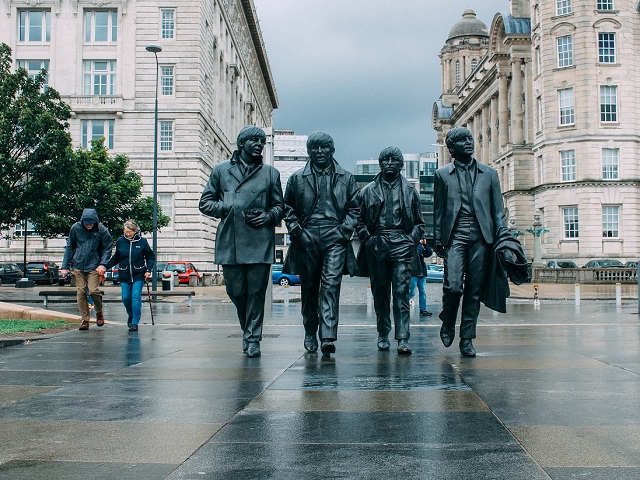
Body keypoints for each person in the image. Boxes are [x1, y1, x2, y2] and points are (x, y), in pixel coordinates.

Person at [199, 126, 284, 357]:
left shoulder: (270, 173)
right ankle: (248, 329)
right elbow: (205, 203)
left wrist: (269, 216)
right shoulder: (221, 171)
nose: (259, 144)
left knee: (256, 293)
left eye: (262, 141)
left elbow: (280, 206)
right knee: (236, 291)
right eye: (254, 140)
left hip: (259, 240)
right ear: (242, 143)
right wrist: (227, 206)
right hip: (231, 240)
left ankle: (253, 338)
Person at [283, 131, 359, 356]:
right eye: (314, 148)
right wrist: (297, 231)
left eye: (323, 147)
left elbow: (355, 208)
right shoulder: (297, 178)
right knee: (309, 288)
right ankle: (309, 331)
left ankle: (327, 335)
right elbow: (288, 208)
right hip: (306, 237)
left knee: (330, 285)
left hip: (334, 237)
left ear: (332, 150)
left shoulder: (346, 177)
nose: (319, 152)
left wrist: (344, 230)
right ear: (309, 151)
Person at [433, 126, 506, 357]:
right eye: (462, 140)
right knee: (453, 286)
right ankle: (447, 320)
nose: (469, 143)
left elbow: (498, 212)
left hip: (482, 237)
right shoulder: (442, 175)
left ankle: (467, 338)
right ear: (452, 148)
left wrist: (502, 237)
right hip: (455, 235)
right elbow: (438, 211)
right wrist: (437, 238)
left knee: (474, 290)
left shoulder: (490, 174)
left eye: (470, 139)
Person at [356, 146, 424, 355]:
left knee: (402, 293)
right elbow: (359, 221)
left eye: (394, 160)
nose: (389, 163)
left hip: (401, 244)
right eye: (385, 160)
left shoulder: (411, 191)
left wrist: (409, 240)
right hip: (378, 244)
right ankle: (383, 333)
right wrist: (368, 239)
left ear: (401, 165)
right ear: (380, 163)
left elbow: (419, 224)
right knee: (381, 294)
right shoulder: (367, 191)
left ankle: (403, 338)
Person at [60, 208, 113, 330]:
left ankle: (99, 311)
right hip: (78, 265)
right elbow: (70, 247)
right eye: (86, 223)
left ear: (95, 221)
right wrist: (65, 266)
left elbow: (107, 248)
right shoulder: (76, 228)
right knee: (81, 292)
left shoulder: (101, 230)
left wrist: (103, 264)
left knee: (93, 291)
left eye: (91, 223)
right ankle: (85, 320)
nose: (88, 225)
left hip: (94, 265)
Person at [106, 220, 155, 332]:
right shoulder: (120, 241)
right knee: (125, 298)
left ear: (134, 231)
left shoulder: (142, 242)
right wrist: (105, 266)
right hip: (124, 274)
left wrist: (148, 270)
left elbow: (150, 257)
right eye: (126, 232)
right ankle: (131, 314)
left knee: (136, 296)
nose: (128, 234)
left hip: (138, 274)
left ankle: (135, 322)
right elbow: (116, 257)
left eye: (130, 232)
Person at [409, 235, 433, 317]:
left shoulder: (421, 247)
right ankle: (402, 304)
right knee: (412, 292)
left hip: (421, 273)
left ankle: (423, 310)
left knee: (422, 292)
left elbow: (428, 253)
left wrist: (426, 245)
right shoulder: (414, 246)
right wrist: (419, 244)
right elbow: (417, 251)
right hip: (414, 273)